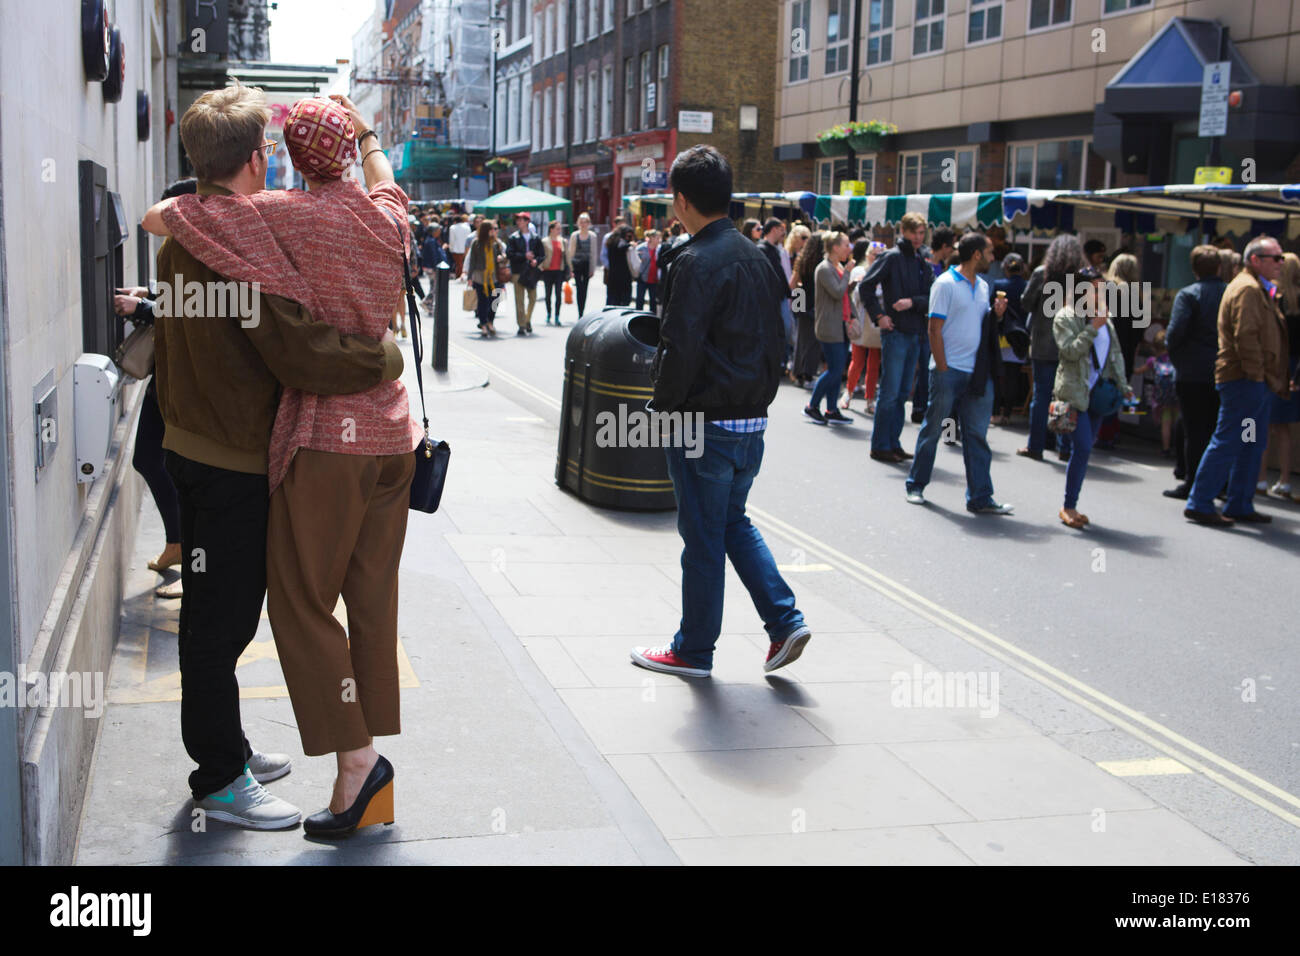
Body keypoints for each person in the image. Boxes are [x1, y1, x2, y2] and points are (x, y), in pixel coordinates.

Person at [147, 93, 422, 839]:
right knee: (237, 621)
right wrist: (387, 356)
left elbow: (164, 221)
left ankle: (328, 760)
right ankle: (225, 772)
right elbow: (297, 348)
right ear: (253, 159)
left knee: (270, 611)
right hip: (310, 446)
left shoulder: (225, 231)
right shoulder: (382, 215)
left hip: (246, 447)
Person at [631, 145, 810, 677]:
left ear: (681, 200)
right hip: (752, 421)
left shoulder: (692, 259)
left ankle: (693, 649)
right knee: (731, 521)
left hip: (702, 424)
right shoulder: (760, 257)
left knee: (703, 539)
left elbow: (679, 346)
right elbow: (781, 335)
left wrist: (660, 408)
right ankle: (784, 620)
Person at [114, 180, 198, 599]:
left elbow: (203, 306)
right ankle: (177, 544)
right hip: (171, 375)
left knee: (169, 464)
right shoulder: (186, 245)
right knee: (152, 458)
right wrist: (148, 295)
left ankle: (188, 557)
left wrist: (144, 306)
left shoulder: (198, 245)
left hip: (184, 378)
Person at [1185, 235, 1291, 526]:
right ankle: (1201, 501)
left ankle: (1239, 502)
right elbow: (1246, 336)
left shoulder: (1256, 287)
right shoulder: (1247, 289)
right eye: (1276, 258)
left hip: (1253, 381)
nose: (1281, 263)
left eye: (1282, 257)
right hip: (1245, 381)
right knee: (1231, 440)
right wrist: (1257, 375)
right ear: (1255, 260)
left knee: (1250, 442)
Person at [904, 233, 1013, 514]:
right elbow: (933, 329)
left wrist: (997, 315)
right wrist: (942, 368)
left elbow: (980, 324)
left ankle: (980, 496)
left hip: (976, 373)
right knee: (933, 430)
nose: (992, 257)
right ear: (976, 254)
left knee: (976, 435)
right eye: (989, 252)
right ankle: (915, 486)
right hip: (948, 371)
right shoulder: (945, 284)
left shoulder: (984, 287)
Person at [1051, 266, 1133, 528]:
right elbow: (1069, 352)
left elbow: (1116, 355)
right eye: (1094, 288)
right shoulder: (1065, 317)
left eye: (1102, 288)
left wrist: (1123, 384)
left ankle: (1072, 503)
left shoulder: (1105, 320)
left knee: (1085, 451)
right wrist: (1092, 328)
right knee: (1083, 447)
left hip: (1098, 395)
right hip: (1075, 393)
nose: (1099, 293)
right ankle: (1068, 505)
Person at [860, 212, 933, 463]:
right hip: (895, 333)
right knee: (890, 393)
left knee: (902, 395)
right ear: (903, 231)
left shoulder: (922, 261)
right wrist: (879, 315)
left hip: (915, 333)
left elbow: (931, 296)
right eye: (914, 232)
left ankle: (893, 442)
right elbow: (865, 285)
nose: (918, 237)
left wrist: (912, 302)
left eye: (921, 233)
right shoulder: (891, 257)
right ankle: (880, 444)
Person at [1163, 245, 1227, 499]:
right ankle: (1220, 483)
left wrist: (1180, 360)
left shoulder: (1189, 295)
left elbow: (1174, 333)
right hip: (1223, 372)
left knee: (1195, 430)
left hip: (1194, 373)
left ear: (1194, 269)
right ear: (1219, 267)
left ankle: (1193, 482)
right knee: (1219, 429)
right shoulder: (1229, 293)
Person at [1018, 234, 1084, 462]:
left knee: (1042, 395)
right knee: (1066, 397)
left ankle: (1035, 446)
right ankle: (1064, 446)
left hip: (1043, 344)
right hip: (1070, 346)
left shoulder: (1041, 274)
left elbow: (1026, 303)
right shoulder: (1080, 278)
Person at [1256, 251, 1300, 498]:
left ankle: (1258, 477)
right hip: (1292, 370)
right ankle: (1284, 479)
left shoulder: (1272, 298)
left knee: (1258, 423)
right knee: (1283, 428)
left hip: (1273, 366)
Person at [805, 231, 855, 425]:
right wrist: (849, 273)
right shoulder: (824, 268)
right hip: (829, 326)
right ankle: (812, 406)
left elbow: (842, 292)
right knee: (834, 370)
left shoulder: (837, 266)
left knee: (837, 368)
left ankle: (831, 409)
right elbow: (836, 292)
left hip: (840, 324)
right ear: (835, 247)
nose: (848, 248)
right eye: (845, 245)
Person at [912, 227, 956, 425]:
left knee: (928, 367)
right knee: (925, 367)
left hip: (939, 325)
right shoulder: (926, 264)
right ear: (945, 246)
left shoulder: (944, 268)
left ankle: (924, 407)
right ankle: (920, 408)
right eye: (951, 246)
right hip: (925, 323)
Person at [843, 239, 884, 414]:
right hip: (860, 319)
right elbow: (853, 295)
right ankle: (849, 392)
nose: (877, 258)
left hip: (876, 321)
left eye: (880, 256)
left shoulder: (885, 272)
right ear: (868, 255)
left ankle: (869, 399)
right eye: (875, 255)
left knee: (874, 363)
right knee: (857, 360)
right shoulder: (859, 271)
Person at [990, 252, 1028, 425]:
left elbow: (991, 309)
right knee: (1013, 376)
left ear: (1005, 267)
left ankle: (996, 411)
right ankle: (1008, 413)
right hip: (1021, 337)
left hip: (1002, 335)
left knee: (998, 375)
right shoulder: (1027, 286)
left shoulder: (999, 285)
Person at [791, 230, 826, 387]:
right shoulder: (823, 264)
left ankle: (798, 373)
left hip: (802, 301)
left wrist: (800, 293)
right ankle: (808, 375)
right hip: (817, 303)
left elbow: (793, 284)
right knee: (814, 342)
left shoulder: (802, 259)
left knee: (801, 339)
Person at [1137, 329, 1178, 456]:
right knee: (1177, 422)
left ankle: (1165, 449)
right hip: (1176, 395)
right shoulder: (1175, 357)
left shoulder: (1153, 360)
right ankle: (1178, 448)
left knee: (1166, 422)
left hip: (1162, 397)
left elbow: (1137, 371)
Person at [466, 218, 505, 336]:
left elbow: (503, 256)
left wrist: (501, 257)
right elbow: (472, 261)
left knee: (495, 301)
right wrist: (469, 277)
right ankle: (483, 324)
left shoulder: (496, 243)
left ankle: (490, 322)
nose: (494, 231)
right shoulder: (476, 243)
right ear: (486, 230)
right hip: (480, 277)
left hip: (494, 277)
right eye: (492, 229)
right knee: (482, 302)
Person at [506, 212, 543, 335]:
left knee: (532, 297)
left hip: (531, 271)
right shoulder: (513, 237)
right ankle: (521, 325)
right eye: (517, 220)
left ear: (527, 221)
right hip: (518, 271)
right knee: (519, 300)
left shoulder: (536, 237)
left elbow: (542, 255)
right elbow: (509, 254)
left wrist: (536, 261)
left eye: (521, 220)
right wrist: (524, 256)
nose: (519, 222)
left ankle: (527, 319)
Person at [567, 212, 600, 316]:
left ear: (588, 223)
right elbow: (570, 252)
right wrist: (570, 268)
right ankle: (579, 311)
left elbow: (594, 253)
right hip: (576, 264)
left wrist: (592, 269)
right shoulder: (574, 235)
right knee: (579, 288)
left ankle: (582, 310)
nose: (583, 224)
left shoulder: (592, 236)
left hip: (587, 265)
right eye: (581, 222)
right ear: (578, 223)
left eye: (585, 222)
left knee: (584, 289)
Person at [539, 219, 570, 326]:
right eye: (557, 229)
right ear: (551, 229)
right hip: (548, 270)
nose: (559, 231)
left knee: (558, 295)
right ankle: (549, 314)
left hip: (559, 271)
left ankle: (557, 316)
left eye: (560, 229)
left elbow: (567, 257)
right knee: (548, 295)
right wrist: (540, 266)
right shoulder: (544, 241)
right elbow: (541, 256)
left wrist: (571, 269)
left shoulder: (563, 241)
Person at [631, 228, 662, 313]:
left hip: (655, 279)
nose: (659, 240)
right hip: (643, 277)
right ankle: (637, 318)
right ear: (651, 238)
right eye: (657, 238)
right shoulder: (641, 248)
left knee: (653, 301)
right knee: (640, 300)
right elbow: (635, 261)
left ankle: (651, 320)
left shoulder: (660, 249)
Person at [604, 224, 634, 306]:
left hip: (613, 276)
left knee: (614, 300)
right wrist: (630, 245)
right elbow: (621, 248)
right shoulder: (621, 242)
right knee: (624, 300)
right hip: (623, 276)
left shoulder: (611, 240)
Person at [448, 213, 472, 279]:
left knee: (459, 265)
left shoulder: (452, 228)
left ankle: (460, 277)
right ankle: (464, 276)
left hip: (456, 249)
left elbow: (452, 240)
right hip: (466, 248)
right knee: (465, 264)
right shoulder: (467, 227)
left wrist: (451, 249)